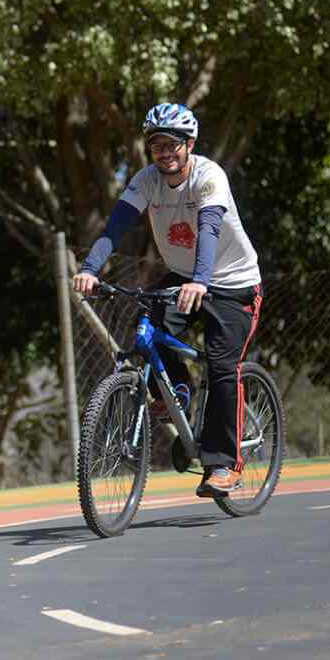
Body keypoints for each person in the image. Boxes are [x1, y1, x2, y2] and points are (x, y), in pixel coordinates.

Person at [72, 103, 262, 497]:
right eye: (157, 145)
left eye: (173, 144)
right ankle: (177, 391)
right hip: (185, 276)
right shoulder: (146, 180)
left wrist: (201, 281)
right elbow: (115, 227)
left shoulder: (209, 176)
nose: (165, 153)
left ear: (189, 144)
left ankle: (224, 464)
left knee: (222, 367)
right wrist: (89, 269)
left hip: (232, 281)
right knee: (148, 330)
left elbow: (209, 229)